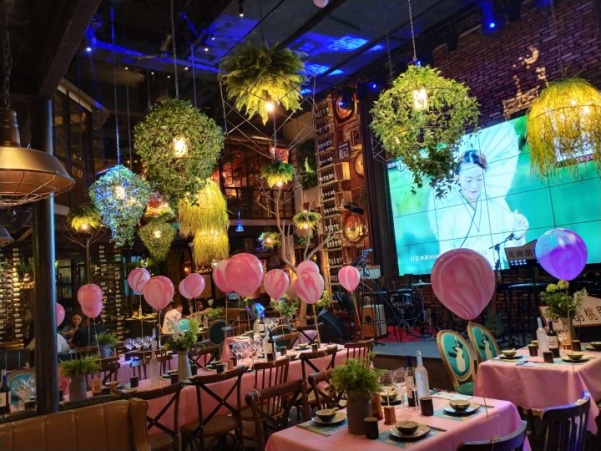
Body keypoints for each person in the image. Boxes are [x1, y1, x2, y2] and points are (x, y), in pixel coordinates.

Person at [429, 148, 529, 270]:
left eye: (479, 179)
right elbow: (446, 254)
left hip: (496, 272)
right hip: (464, 274)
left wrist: (517, 236)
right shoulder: (449, 212)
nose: (474, 185)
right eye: (468, 180)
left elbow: (508, 254)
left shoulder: (497, 203)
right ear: (457, 177)